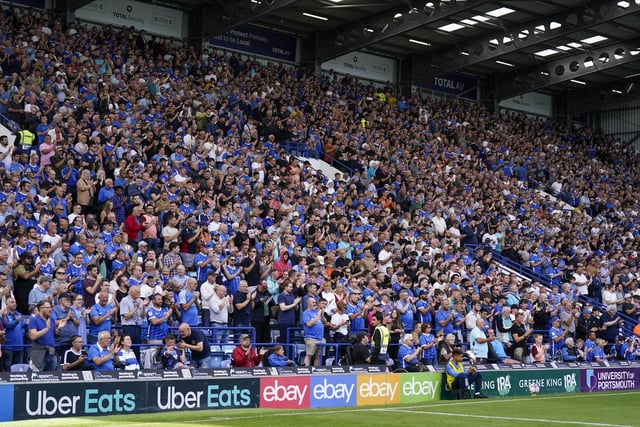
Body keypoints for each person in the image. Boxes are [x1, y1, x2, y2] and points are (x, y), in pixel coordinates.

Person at [28, 299, 58, 372]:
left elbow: (53, 335)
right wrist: (46, 328)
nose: (50, 310)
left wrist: (59, 329)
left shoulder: (52, 320)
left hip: (51, 352)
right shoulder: (34, 320)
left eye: (50, 307)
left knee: (51, 376)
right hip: (38, 353)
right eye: (47, 308)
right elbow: (33, 336)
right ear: (41, 309)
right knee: (35, 376)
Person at [119, 286, 144, 359]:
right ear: (131, 292)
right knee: (127, 347)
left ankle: (137, 364)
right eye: (137, 292)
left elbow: (142, 316)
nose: (139, 294)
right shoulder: (125, 300)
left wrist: (144, 306)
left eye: (140, 292)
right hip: (129, 327)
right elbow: (126, 316)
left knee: (137, 348)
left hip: (138, 327)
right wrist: (136, 308)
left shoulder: (140, 300)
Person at [1, 297, 25, 370]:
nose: (14, 304)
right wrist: (16, 321)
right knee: (7, 368)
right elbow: (7, 326)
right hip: (8, 346)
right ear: (6, 304)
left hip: (19, 346)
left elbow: (23, 326)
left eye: (15, 302)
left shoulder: (19, 315)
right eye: (12, 302)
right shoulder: (4, 315)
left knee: (18, 369)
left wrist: (27, 324)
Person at [301, 297, 326, 367]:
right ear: (308, 304)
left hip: (321, 338)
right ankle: (306, 370)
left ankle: (316, 371)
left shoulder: (317, 312)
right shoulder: (306, 313)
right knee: (309, 355)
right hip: (311, 338)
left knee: (319, 356)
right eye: (313, 302)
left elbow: (325, 322)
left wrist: (322, 315)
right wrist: (317, 318)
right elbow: (308, 324)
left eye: (315, 302)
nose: (315, 304)